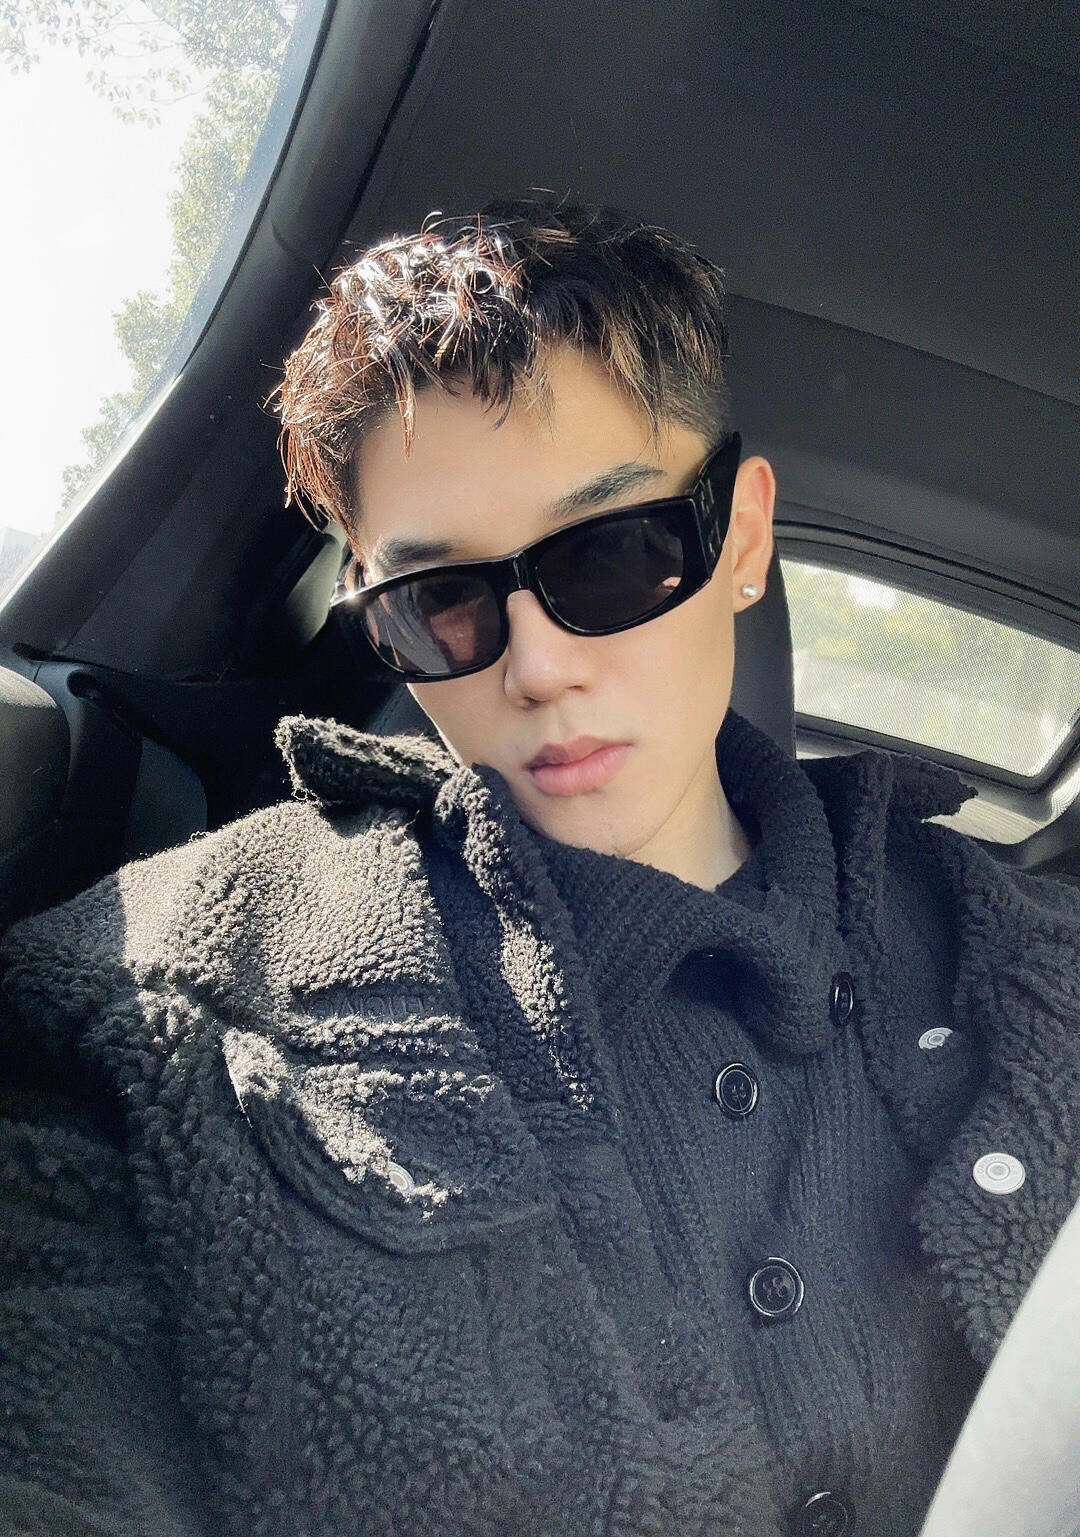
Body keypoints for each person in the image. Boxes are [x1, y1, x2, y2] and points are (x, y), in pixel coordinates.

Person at [0, 195, 1076, 1537]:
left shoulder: (1024, 962)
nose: (539, 667)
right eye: (439, 601)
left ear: (741, 540)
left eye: (615, 554)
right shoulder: (181, 1003)